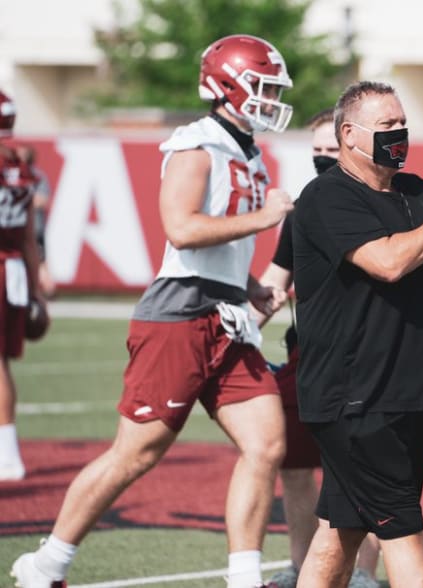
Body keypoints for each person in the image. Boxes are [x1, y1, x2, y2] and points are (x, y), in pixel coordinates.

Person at [10, 34, 296, 588]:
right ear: (226, 85)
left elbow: (219, 244)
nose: (268, 99)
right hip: (180, 315)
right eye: (259, 86)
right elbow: (183, 230)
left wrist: (249, 284)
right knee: (136, 454)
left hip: (227, 313)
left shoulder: (246, 149)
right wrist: (264, 219)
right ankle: (46, 565)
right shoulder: (197, 145)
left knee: (266, 444)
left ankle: (243, 578)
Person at [292, 81, 423, 588]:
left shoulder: (419, 191)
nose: (399, 133)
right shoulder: (326, 197)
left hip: (408, 392)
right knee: (404, 534)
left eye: (402, 123)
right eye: (386, 126)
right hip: (355, 398)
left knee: (342, 532)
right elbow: (388, 262)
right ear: (350, 136)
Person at [254, 109, 380, 588]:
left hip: (364, 356)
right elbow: (276, 279)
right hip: (308, 354)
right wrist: (242, 324)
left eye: (333, 150)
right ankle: (301, 565)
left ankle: (363, 574)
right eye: (318, 151)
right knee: (295, 465)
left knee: (358, 470)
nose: (324, 159)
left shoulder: (377, 201)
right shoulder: (308, 205)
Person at [0, 90, 44, 482]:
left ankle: (8, 456)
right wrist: (37, 293)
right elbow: (29, 237)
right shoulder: (19, 163)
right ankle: (7, 451)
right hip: (12, 268)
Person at [15, 144, 57, 299]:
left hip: (34, 226)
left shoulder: (36, 176)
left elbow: (42, 199)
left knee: (40, 259)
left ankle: (48, 290)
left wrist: (20, 201)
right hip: (18, 226)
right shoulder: (13, 176)